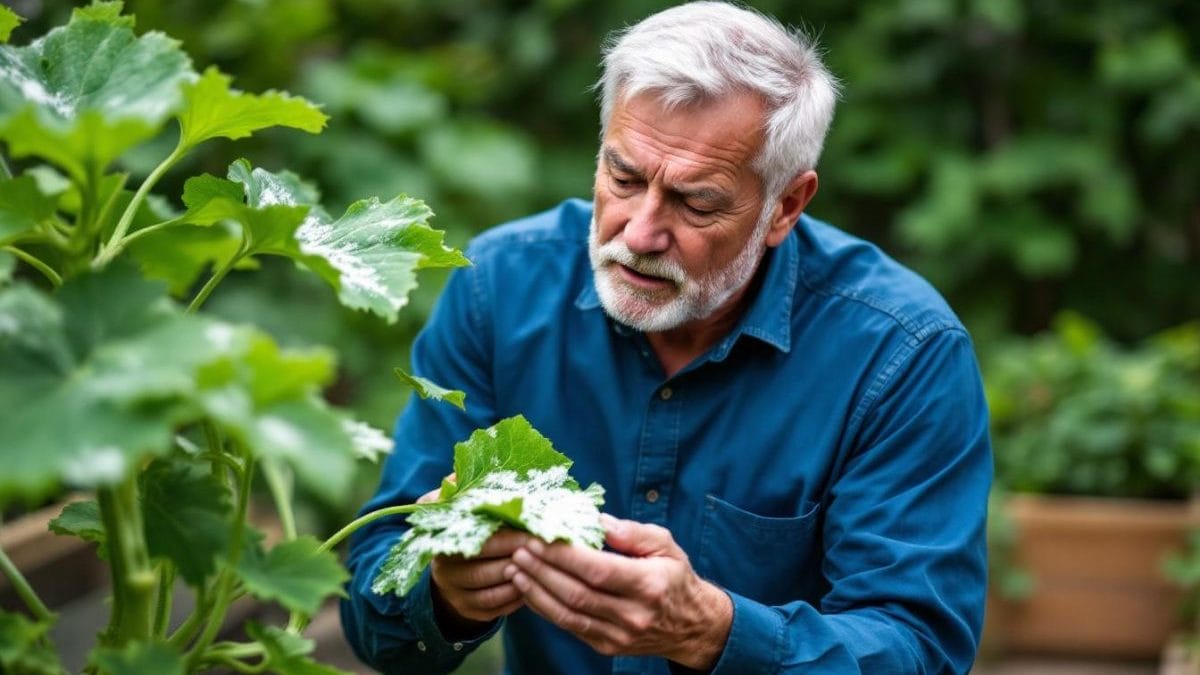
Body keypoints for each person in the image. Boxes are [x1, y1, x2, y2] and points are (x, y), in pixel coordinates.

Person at [341, 2, 992, 673]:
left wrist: (715, 632)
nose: (640, 233)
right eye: (623, 177)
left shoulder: (903, 353)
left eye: (696, 202)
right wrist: (445, 596)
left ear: (786, 206)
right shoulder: (499, 290)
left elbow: (920, 650)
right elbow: (373, 610)